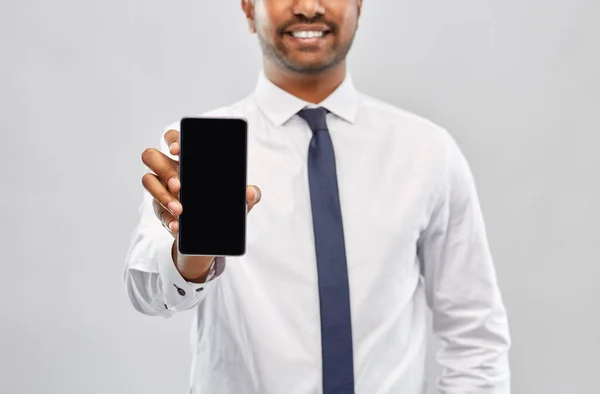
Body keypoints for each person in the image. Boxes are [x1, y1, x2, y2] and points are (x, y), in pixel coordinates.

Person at [123, 0, 511, 393]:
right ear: (247, 7)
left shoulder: (427, 151)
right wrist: (192, 254)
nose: (309, 7)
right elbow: (149, 294)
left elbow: (474, 332)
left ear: (359, 4)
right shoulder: (194, 152)